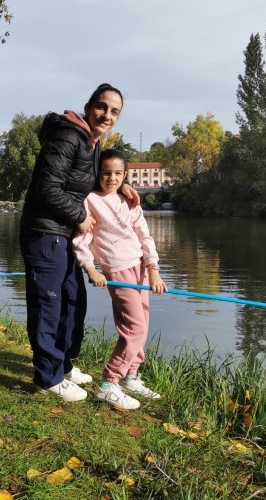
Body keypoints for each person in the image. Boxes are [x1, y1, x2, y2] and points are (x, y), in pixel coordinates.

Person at [19, 83, 140, 402]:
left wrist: (122, 186)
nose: (107, 115)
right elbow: (48, 187)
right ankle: (47, 377)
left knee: (74, 300)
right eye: (102, 107)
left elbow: (88, 181)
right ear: (88, 107)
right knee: (49, 304)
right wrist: (80, 216)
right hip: (45, 232)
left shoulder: (92, 141)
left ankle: (63, 364)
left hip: (67, 235)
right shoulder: (69, 136)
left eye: (115, 111)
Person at [73, 148, 167, 410]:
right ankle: (108, 382)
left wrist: (154, 268)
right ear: (98, 174)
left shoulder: (130, 200)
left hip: (140, 268)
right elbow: (83, 238)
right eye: (105, 173)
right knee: (134, 328)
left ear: (125, 175)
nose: (111, 178)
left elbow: (144, 234)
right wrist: (91, 269)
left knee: (142, 326)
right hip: (117, 270)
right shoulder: (90, 200)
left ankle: (130, 376)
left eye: (117, 173)